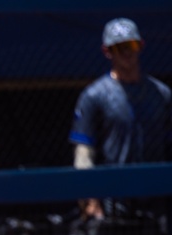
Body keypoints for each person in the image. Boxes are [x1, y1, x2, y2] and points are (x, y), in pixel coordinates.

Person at [69, 17, 172, 220]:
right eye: (119, 47)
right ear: (107, 52)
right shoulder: (94, 95)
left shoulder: (161, 94)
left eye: (131, 45)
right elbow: (84, 152)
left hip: (156, 198)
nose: (126, 52)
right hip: (114, 200)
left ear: (141, 46)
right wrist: (89, 198)